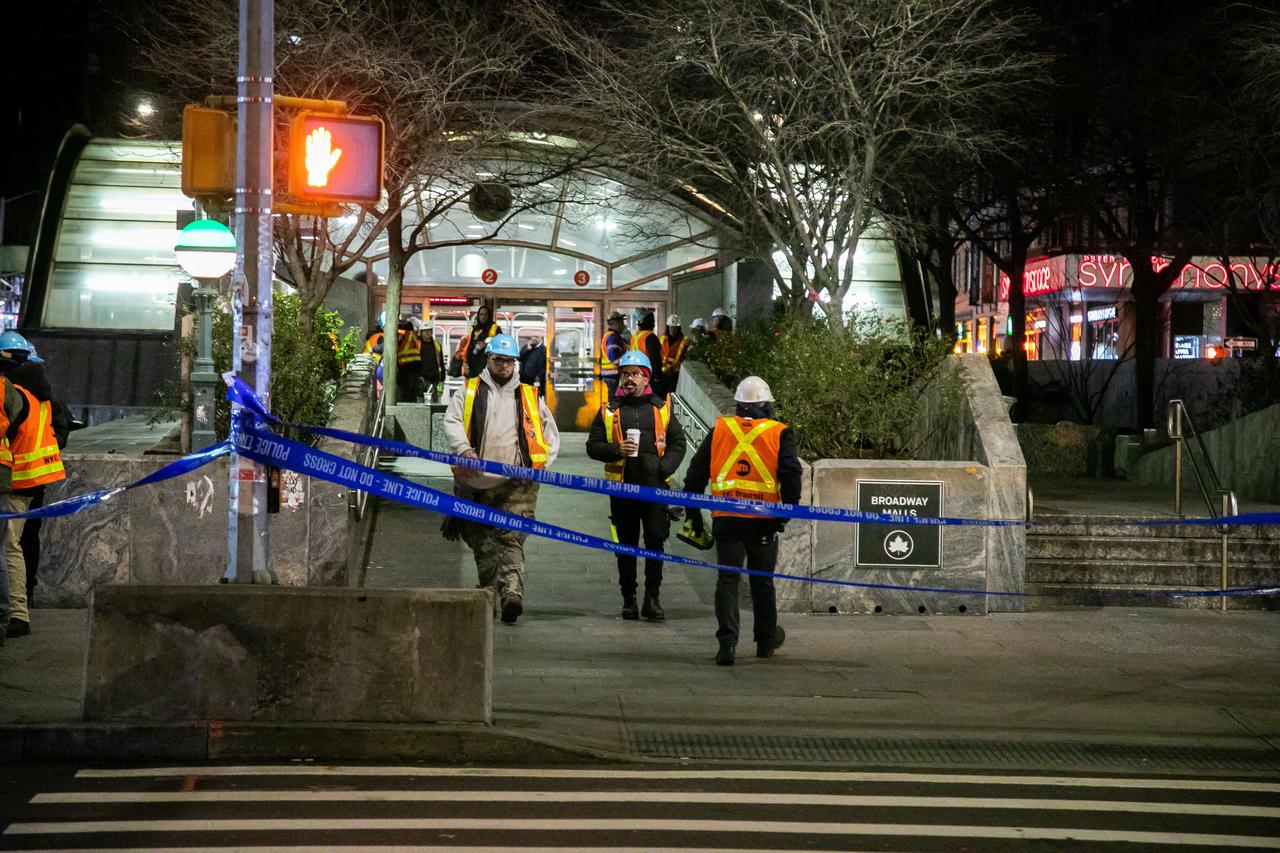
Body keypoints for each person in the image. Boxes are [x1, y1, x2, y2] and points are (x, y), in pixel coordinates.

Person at [683, 376, 802, 666]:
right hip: (763, 522)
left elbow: (696, 473)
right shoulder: (779, 432)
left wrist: (692, 515)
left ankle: (727, 644)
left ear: (738, 404)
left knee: (728, 581)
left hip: (726, 519)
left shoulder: (721, 429)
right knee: (762, 583)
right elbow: (791, 475)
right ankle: (765, 641)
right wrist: (785, 514)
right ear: (766, 405)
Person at [443, 333, 560, 625]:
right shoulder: (468, 390)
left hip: (517, 481)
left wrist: (539, 465)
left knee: (510, 537)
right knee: (481, 539)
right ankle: (489, 592)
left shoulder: (529, 396)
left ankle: (511, 593)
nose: (504, 367)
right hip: (473, 481)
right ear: (489, 360)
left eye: (509, 362)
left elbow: (549, 434)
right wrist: (464, 449)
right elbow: (453, 420)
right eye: (499, 360)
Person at [586, 350, 686, 622]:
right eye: (625, 374)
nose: (628, 379)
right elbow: (592, 447)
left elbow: (678, 443)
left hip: (655, 489)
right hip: (622, 491)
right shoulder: (608, 411)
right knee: (626, 546)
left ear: (646, 378)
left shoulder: (662, 409)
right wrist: (616, 450)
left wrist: (664, 469)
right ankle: (628, 599)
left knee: (655, 542)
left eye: (635, 374)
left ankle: (652, 599)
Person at [0, 331, 58, 642]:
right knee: (16, 546)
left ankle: (16, 614)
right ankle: (19, 612)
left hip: (14, 479)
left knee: (9, 548)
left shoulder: (13, 391)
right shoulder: (40, 392)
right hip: (33, 479)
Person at [456, 306, 501, 379]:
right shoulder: (474, 328)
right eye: (481, 314)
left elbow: (501, 345)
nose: (483, 317)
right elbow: (468, 346)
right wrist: (465, 361)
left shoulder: (495, 328)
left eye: (485, 314)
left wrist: (486, 344)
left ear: (489, 316)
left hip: (488, 365)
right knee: (471, 388)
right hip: (472, 365)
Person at [630, 312, 666, 397]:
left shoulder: (634, 337)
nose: (654, 325)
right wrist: (658, 375)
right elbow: (654, 358)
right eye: (653, 321)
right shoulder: (650, 337)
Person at [414, 317, 446, 403]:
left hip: (434, 380)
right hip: (421, 380)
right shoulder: (417, 344)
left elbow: (441, 363)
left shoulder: (436, 345)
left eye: (429, 330)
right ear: (421, 332)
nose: (427, 333)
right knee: (420, 405)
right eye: (425, 330)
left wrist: (442, 379)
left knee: (434, 404)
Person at [598, 311, 627, 398]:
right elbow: (614, 359)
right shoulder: (613, 337)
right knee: (611, 403)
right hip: (612, 377)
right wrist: (628, 357)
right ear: (616, 323)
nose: (623, 325)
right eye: (621, 322)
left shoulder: (608, 335)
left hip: (608, 376)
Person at [394, 318, 423, 403]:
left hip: (406, 366)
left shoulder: (402, 334)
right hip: (416, 366)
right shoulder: (414, 335)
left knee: (405, 391)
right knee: (412, 392)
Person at [660, 314, 689, 390]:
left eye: (675, 328)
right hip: (662, 375)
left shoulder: (685, 341)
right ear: (668, 327)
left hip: (676, 375)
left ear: (679, 328)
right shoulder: (662, 339)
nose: (673, 330)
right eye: (671, 327)